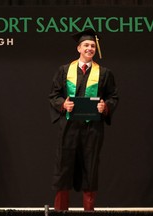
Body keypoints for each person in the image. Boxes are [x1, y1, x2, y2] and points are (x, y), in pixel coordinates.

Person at [49, 29, 118, 211]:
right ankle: (61, 211)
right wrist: (63, 104)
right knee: (64, 169)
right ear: (78, 48)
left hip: (92, 128)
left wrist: (106, 107)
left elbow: (113, 96)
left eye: (92, 46)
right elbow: (53, 95)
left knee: (90, 168)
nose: (89, 48)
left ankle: (89, 211)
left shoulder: (104, 73)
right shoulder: (64, 70)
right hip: (68, 127)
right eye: (86, 45)